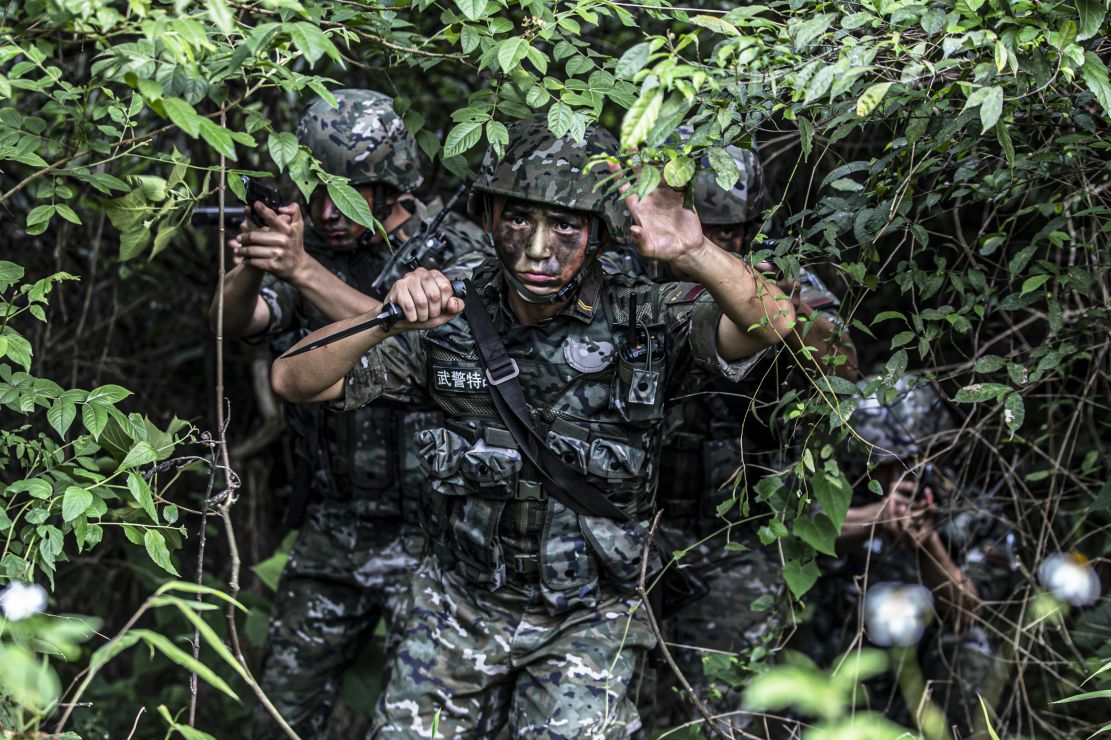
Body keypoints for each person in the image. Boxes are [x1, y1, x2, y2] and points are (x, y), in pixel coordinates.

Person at [270, 118, 797, 737]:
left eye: (566, 225)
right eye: (519, 219)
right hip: (456, 608)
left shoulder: (645, 315)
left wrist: (694, 251)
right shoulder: (451, 309)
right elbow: (293, 379)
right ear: (490, 216)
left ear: (598, 232)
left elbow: (774, 325)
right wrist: (388, 318)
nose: (539, 248)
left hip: (589, 618)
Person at [208, 88, 489, 738]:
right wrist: (255, 264)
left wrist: (303, 269)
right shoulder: (311, 248)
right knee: (278, 712)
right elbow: (232, 325)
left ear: (394, 186)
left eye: (356, 191)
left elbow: (428, 342)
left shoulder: (452, 247)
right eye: (319, 192)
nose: (331, 213)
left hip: (436, 530)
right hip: (336, 522)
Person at [605, 144, 860, 734]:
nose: (716, 240)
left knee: (726, 709)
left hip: (736, 537)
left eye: (731, 232)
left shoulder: (777, 278)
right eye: (705, 228)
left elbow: (843, 366)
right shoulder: (633, 276)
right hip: (636, 526)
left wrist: (775, 307)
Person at [798, 374, 1015, 732]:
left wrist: (927, 543)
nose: (898, 475)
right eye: (883, 464)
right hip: (848, 668)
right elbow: (801, 534)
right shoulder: (846, 497)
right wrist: (878, 518)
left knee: (971, 644)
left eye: (911, 461)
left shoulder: (975, 514)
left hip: (933, 676)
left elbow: (968, 611)